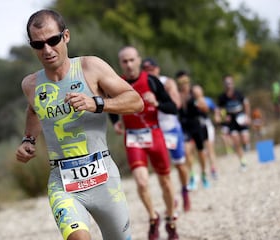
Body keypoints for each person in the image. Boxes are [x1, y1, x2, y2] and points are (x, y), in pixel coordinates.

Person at [15, 9, 144, 240]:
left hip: (103, 177)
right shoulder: (31, 84)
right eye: (38, 45)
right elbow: (34, 111)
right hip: (62, 181)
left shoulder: (90, 67)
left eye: (53, 40)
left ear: (66, 36)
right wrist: (28, 140)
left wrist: (97, 103)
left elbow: (136, 101)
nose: (47, 50)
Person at [111, 46, 179, 240]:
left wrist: (157, 102)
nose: (129, 64)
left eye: (132, 60)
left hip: (154, 134)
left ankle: (171, 217)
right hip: (133, 138)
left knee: (165, 181)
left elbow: (173, 108)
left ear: (138, 60)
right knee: (141, 181)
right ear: (120, 64)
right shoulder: (117, 83)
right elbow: (111, 106)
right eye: (125, 61)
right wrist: (116, 122)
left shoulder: (151, 80)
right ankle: (152, 217)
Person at [141, 57, 191, 212]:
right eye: (146, 70)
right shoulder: (142, 84)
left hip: (170, 128)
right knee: (163, 169)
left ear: (158, 69)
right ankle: (172, 197)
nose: (149, 72)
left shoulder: (167, 83)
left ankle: (184, 191)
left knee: (180, 165)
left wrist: (157, 102)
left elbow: (177, 105)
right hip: (154, 130)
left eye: (152, 69)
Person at [175, 71, 210, 190]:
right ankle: (192, 176)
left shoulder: (195, 91)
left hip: (196, 124)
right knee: (186, 151)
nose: (183, 84)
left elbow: (205, 108)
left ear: (189, 81)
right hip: (184, 125)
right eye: (181, 82)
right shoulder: (177, 94)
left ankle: (204, 174)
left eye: (185, 81)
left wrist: (200, 105)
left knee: (201, 152)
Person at [214, 74, 251, 171]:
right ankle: (243, 161)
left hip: (240, 117)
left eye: (230, 83)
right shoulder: (222, 97)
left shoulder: (238, 93)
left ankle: (246, 146)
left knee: (245, 138)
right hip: (231, 121)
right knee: (235, 140)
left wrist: (247, 116)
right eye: (226, 83)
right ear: (224, 84)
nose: (228, 85)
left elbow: (246, 103)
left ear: (233, 83)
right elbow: (219, 109)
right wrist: (222, 117)